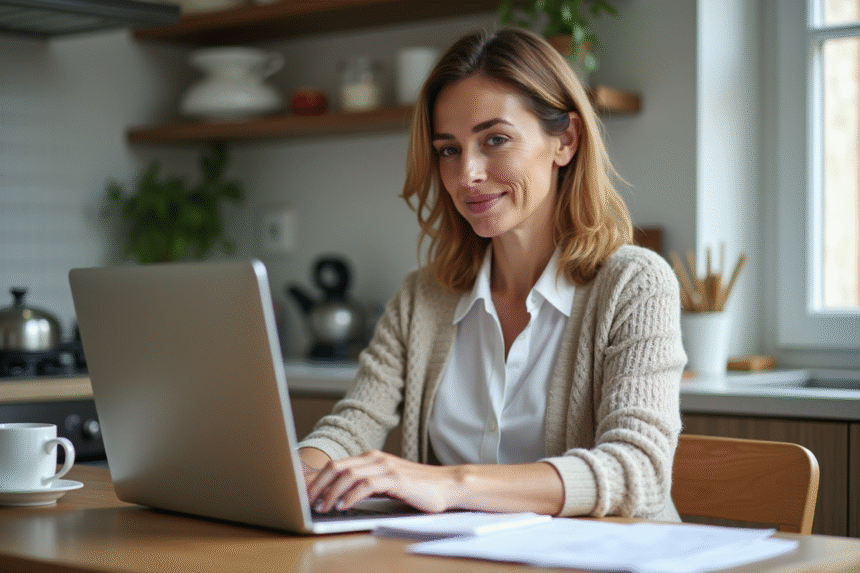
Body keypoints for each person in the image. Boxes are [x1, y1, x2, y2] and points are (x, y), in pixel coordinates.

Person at [298, 28, 686, 521]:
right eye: (449, 149)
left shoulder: (635, 284)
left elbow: (637, 471)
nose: (467, 176)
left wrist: (449, 483)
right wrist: (298, 471)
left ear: (565, 140)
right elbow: (353, 424)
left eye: (495, 140)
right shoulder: (423, 297)